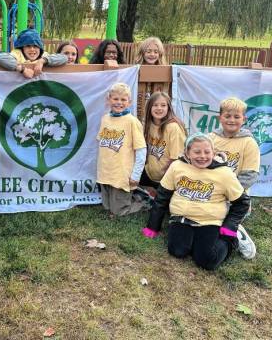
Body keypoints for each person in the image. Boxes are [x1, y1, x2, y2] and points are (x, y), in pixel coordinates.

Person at [142, 133, 257, 270]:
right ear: (187, 153)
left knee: (207, 260)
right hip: (182, 218)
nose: (202, 156)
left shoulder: (224, 173)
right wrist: (153, 226)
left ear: (213, 153)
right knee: (177, 251)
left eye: (207, 152)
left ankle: (233, 238)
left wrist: (230, 225)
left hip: (210, 221)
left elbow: (242, 202)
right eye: (197, 152)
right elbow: (162, 197)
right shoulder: (177, 167)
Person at [96, 82, 148, 216]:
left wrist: (136, 175)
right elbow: (102, 144)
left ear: (129, 102)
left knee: (119, 211)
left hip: (122, 173)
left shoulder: (132, 121)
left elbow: (141, 150)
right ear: (109, 100)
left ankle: (144, 200)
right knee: (107, 207)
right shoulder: (105, 119)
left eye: (123, 99)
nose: (119, 102)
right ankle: (117, 206)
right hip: (106, 171)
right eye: (115, 99)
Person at [209, 97, 260, 192]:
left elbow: (250, 175)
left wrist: (229, 192)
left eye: (236, 117)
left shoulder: (249, 143)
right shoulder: (210, 139)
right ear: (219, 118)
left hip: (236, 198)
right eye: (227, 116)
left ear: (244, 119)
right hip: (211, 194)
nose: (232, 120)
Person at [141, 92, 187, 196]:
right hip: (150, 173)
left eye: (163, 105)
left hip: (166, 178)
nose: (159, 108)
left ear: (169, 108)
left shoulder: (173, 127)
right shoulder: (148, 124)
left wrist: (165, 181)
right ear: (149, 107)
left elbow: (176, 159)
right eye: (155, 105)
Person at [0, 28, 67, 78]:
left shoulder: (44, 55)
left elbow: (64, 58)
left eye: (35, 46)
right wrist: (23, 69)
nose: (32, 49)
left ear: (40, 48)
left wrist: (42, 61)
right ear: (22, 48)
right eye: (28, 46)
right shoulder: (18, 54)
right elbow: (1, 57)